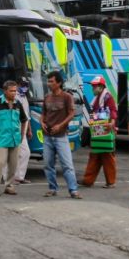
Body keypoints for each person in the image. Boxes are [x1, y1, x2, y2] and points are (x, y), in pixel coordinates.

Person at [0, 80, 29, 196]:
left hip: (15, 138)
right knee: (0, 163)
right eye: (11, 91)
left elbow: (24, 119)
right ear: (5, 91)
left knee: (13, 164)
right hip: (2, 138)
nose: (14, 93)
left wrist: (22, 133)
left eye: (15, 91)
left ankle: (10, 186)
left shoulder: (18, 103)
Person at [41, 70, 80, 199]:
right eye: (48, 81)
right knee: (48, 164)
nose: (49, 84)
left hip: (61, 136)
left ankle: (73, 190)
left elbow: (71, 113)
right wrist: (41, 122)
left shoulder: (67, 97)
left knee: (67, 165)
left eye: (51, 81)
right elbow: (43, 114)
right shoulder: (47, 97)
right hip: (47, 136)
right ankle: (52, 188)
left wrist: (60, 125)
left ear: (59, 83)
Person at [80, 75, 118, 188]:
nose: (93, 89)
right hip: (98, 129)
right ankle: (88, 180)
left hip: (106, 129)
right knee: (95, 155)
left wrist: (112, 122)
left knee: (107, 156)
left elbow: (113, 111)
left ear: (101, 87)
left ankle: (110, 182)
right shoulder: (98, 98)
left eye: (94, 87)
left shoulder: (107, 97)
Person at [11, 84, 33, 186]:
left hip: (23, 128)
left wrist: (29, 130)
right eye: (23, 85)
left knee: (26, 152)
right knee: (12, 152)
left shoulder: (24, 97)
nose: (25, 87)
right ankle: (11, 177)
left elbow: (27, 116)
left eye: (26, 85)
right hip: (15, 128)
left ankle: (20, 177)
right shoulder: (13, 96)